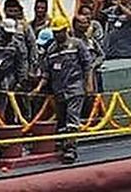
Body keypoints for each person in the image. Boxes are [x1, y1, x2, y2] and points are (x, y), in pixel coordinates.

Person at [35, 17, 92, 164]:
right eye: (54, 32)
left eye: (59, 32)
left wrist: (88, 84)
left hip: (74, 88)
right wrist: (39, 87)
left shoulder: (77, 45)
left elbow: (87, 65)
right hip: (59, 91)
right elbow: (46, 72)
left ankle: (70, 149)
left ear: (65, 30)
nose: (56, 35)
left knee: (72, 119)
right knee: (61, 120)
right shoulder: (51, 49)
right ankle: (63, 145)